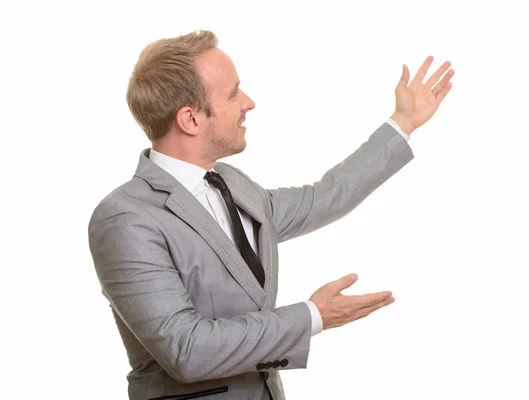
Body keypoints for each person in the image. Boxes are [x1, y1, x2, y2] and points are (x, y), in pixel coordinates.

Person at [88, 29, 453, 400]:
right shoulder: (125, 219)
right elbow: (188, 350)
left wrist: (402, 123)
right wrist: (312, 317)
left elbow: (323, 198)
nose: (249, 102)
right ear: (190, 119)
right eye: (233, 93)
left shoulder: (231, 184)